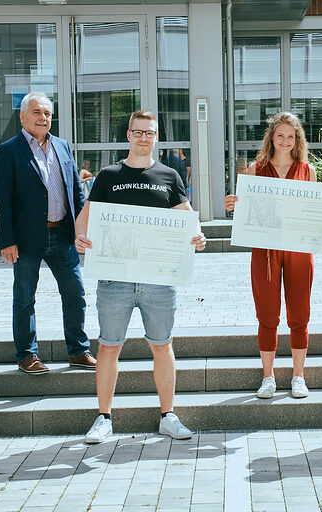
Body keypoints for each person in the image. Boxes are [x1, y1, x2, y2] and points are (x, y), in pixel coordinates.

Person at [74, 110, 207, 443]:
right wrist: (81, 237)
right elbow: (84, 219)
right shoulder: (108, 175)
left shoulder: (169, 176)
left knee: (162, 346)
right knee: (108, 347)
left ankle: (168, 416)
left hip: (158, 280)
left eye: (150, 133)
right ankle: (103, 418)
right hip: (114, 280)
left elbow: (188, 220)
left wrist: (198, 236)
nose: (144, 138)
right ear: (129, 135)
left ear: (156, 137)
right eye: (138, 132)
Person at [224, 112, 322, 399]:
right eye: (281, 135)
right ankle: (268, 377)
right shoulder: (255, 169)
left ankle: (298, 376)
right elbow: (246, 209)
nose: (286, 141)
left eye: (291, 136)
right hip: (264, 250)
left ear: (298, 139)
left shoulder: (307, 170)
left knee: (299, 313)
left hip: (299, 249)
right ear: (271, 138)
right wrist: (233, 205)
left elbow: (314, 213)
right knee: (267, 314)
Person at [0, 91, 96, 374]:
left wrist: (82, 230)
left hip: (63, 235)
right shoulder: (8, 151)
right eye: (36, 112)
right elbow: (3, 199)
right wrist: (7, 239)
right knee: (25, 297)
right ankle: (27, 355)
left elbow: (75, 191)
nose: (43, 117)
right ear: (22, 116)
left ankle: (78, 351)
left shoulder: (62, 146)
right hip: (26, 239)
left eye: (48, 113)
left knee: (75, 293)